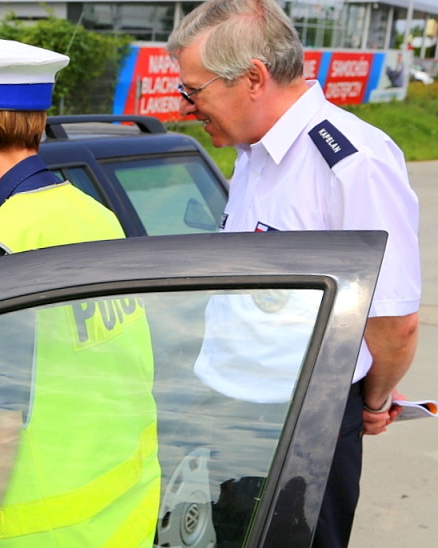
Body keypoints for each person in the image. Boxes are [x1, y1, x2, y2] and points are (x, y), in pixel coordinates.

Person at [166, 1, 420, 546]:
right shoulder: (254, 152)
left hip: (304, 425)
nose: (188, 106)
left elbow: (393, 323)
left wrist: (373, 402)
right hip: (232, 413)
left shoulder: (352, 164)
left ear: (253, 78)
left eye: (194, 90)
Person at [0, 31, 160, 547]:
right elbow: (84, 357)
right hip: (123, 512)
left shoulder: (0, 243)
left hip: (44, 533)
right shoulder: (95, 214)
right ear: (38, 122)